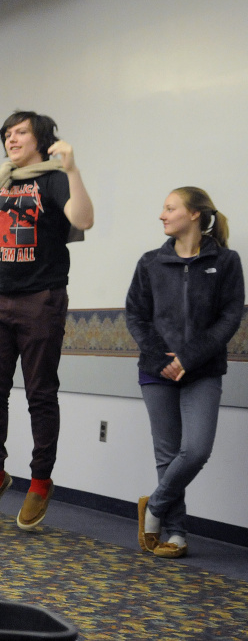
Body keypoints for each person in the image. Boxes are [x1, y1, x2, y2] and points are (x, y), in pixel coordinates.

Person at [0, 110, 94, 529]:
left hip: (41, 297)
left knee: (40, 394)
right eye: (7, 133)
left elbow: (83, 220)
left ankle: (41, 482)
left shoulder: (54, 177)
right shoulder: (3, 179)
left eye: (20, 132)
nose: (11, 139)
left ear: (41, 139)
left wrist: (74, 168)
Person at [125, 187, 243, 558]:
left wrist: (188, 358)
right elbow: (136, 316)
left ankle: (156, 506)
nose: (162, 215)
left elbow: (229, 318)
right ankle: (175, 534)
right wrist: (163, 358)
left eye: (170, 208)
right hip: (156, 370)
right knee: (167, 453)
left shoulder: (225, 262)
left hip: (203, 371)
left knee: (195, 450)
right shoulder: (150, 263)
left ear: (194, 214)